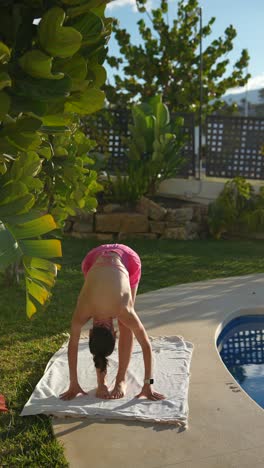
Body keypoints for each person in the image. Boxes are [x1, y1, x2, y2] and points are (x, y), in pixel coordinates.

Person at [60, 243, 165, 401]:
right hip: (93, 258)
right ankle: (101, 382)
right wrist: (148, 384)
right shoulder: (93, 312)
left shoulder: (120, 311)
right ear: (90, 333)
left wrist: (73, 384)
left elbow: (73, 346)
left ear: (113, 334)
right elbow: (146, 345)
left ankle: (120, 379)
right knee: (125, 324)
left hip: (127, 259)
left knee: (126, 326)